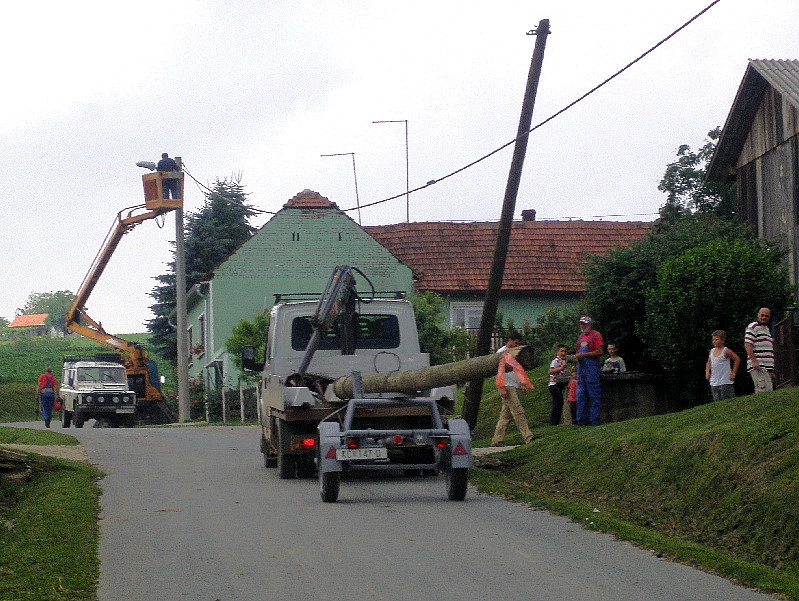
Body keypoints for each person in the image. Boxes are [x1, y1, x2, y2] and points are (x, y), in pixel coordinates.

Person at [491, 333, 535, 446]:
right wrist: (501, 388)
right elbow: (497, 372)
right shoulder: (501, 353)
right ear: (510, 340)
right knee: (518, 411)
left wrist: (522, 384)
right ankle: (528, 436)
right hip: (507, 385)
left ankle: (497, 440)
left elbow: (517, 370)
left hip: (513, 384)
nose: (517, 345)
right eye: (516, 343)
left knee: (505, 416)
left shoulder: (515, 353)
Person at [574, 316, 604, 426]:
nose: (582, 326)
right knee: (581, 395)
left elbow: (600, 351)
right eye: (581, 324)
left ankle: (594, 420)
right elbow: (577, 352)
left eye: (585, 324)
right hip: (581, 370)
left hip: (591, 369)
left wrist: (584, 355)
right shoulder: (581, 337)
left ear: (590, 324)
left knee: (594, 395)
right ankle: (581, 421)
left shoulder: (596, 335)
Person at [744, 307, 774, 393]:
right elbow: (747, 344)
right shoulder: (753, 326)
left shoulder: (766, 329)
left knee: (768, 390)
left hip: (766, 366)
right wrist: (754, 361)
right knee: (762, 390)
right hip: (759, 364)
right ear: (758, 315)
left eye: (766, 316)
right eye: (762, 315)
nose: (764, 317)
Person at [705, 330, 740, 401]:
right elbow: (709, 362)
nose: (714, 341)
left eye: (716, 339)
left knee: (727, 400)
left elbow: (737, 359)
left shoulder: (726, 351)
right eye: (713, 339)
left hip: (725, 381)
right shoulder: (712, 351)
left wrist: (733, 372)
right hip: (714, 381)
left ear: (722, 340)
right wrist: (707, 372)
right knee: (716, 401)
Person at [548, 344, 569, 425]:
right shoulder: (556, 361)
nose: (563, 353)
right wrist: (561, 368)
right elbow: (550, 371)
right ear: (557, 352)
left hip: (560, 384)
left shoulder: (564, 361)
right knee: (557, 403)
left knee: (559, 402)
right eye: (561, 351)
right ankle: (553, 422)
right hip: (554, 384)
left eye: (565, 351)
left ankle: (556, 421)